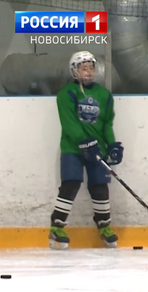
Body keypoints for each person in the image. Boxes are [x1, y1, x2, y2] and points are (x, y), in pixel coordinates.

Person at [49, 51, 123, 250]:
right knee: (71, 183)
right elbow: (69, 123)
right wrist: (84, 141)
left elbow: (107, 124)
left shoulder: (104, 95)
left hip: (97, 148)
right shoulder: (67, 94)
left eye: (91, 68)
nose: (89, 73)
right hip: (72, 148)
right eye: (84, 69)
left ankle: (104, 226)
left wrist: (112, 145)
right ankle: (57, 226)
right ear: (75, 71)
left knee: (100, 185)